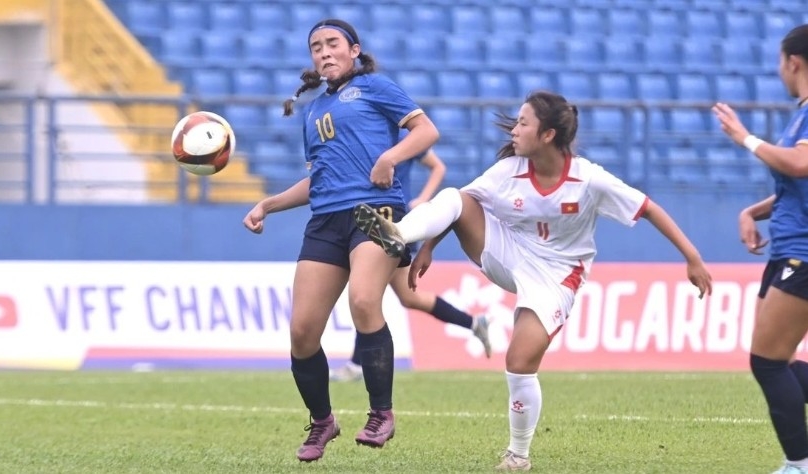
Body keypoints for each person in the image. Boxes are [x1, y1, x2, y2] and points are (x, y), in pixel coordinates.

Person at [353, 90, 713, 471]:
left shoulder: (589, 179)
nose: (515, 129)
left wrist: (692, 258)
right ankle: (400, 233)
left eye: (524, 123)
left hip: (557, 276)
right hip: (509, 253)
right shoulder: (509, 171)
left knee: (520, 360)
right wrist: (427, 245)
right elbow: (461, 204)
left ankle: (518, 455)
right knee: (454, 195)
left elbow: (649, 209)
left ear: (547, 135)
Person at [242, 19, 439, 462]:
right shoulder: (312, 111)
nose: (324, 52)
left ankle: (381, 413)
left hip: (378, 212)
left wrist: (391, 155)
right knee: (302, 331)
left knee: (365, 301)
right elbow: (317, 181)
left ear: (354, 50)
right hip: (326, 221)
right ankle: (322, 421)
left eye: (333, 43)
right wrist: (267, 205)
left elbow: (427, 132)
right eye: (316, 46)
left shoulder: (375, 86)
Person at [712, 24, 808, 474]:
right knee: (780, 360)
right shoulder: (800, 112)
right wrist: (753, 211)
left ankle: (799, 464)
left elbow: (801, 164)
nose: (779, 71)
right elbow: (793, 183)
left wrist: (745, 138)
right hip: (785, 249)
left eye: (780, 62)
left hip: (802, 255)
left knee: (767, 362)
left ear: (793, 62)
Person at [330, 146, 492, 383]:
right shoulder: (365, 133)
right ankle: (474, 323)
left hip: (396, 226)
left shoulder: (405, 138)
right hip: (372, 220)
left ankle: (356, 364)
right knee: (408, 297)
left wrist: (423, 198)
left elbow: (438, 166)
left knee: (367, 293)